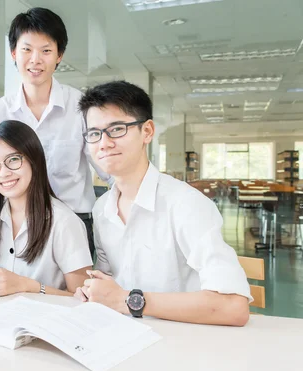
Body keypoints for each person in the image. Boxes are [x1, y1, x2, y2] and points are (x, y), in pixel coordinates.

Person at [75, 81, 252, 326]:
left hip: (183, 342)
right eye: (94, 133)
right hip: (123, 338)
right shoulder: (102, 208)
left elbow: (234, 307)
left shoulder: (186, 204)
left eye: (116, 129)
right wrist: (94, 292)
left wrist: (127, 300)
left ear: (147, 131)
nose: (103, 143)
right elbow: (108, 282)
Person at [0, 7, 110, 254]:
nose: (35, 60)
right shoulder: (0, 112)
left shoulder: (80, 106)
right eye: (27, 49)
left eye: (46, 51)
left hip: (74, 221)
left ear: (59, 55)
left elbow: (109, 168)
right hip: (16, 223)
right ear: (14, 53)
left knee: (70, 293)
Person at [0, 120, 92, 296]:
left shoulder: (64, 222)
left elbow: (84, 299)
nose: (3, 173)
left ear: (34, 160)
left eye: (13, 160)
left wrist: (27, 285)